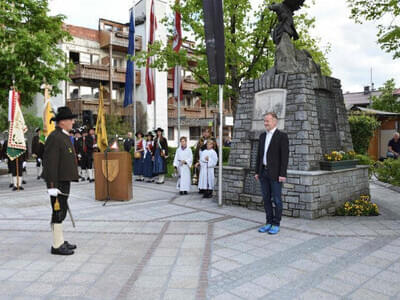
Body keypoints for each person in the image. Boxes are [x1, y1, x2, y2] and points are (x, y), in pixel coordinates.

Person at [41, 106, 79, 255]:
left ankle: (60, 239)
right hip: (57, 182)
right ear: (62, 121)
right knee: (58, 212)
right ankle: (57, 245)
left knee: (61, 211)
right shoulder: (55, 137)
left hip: (64, 180)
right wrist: (52, 185)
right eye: (70, 119)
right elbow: (50, 162)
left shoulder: (63, 135)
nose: (73, 122)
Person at [255, 112, 289, 235]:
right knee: (266, 199)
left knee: (277, 199)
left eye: (267, 121)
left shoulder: (282, 136)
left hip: (275, 174)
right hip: (263, 172)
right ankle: (268, 222)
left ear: (275, 121)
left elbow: (284, 157)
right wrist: (257, 171)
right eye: (264, 121)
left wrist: (282, 174)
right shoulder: (262, 136)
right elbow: (259, 155)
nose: (265, 123)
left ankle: (276, 223)